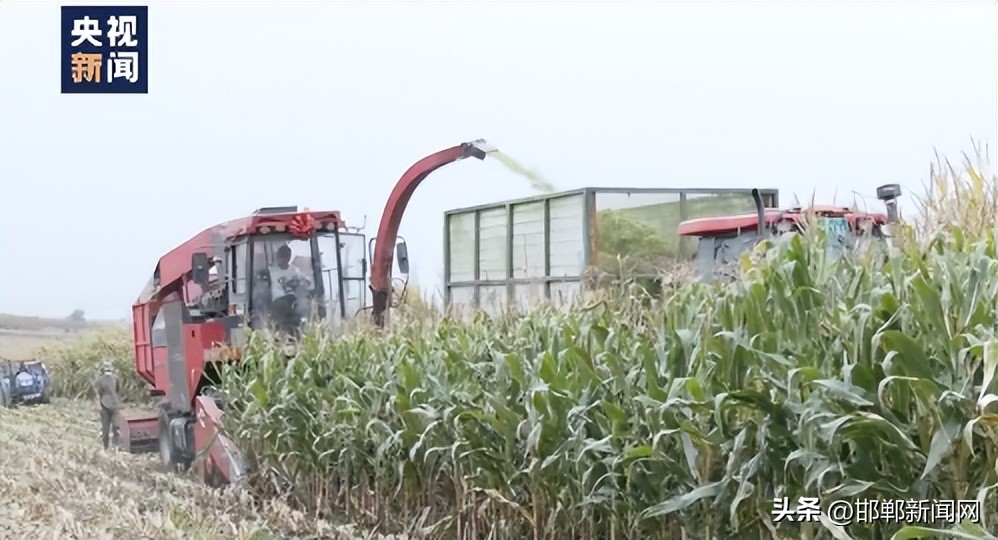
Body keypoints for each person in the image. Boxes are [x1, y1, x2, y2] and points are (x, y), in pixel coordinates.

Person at [93, 362, 121, 451]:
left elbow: (99, 392)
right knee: (112, 427)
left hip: (107, 405)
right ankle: (112, 446)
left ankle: (110, 447)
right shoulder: (114, 378)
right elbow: (117, 390)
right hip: (110, 405)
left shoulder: (101, 380)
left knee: (109, 427)